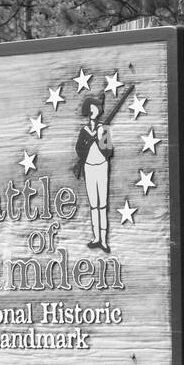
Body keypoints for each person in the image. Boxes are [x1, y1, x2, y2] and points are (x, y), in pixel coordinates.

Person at [73, 96, 114, 251]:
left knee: (102, 205)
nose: (95, 111)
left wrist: (99, 139)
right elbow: (79, 150)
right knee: (93, 205)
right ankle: (96, 237)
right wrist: (88, 143)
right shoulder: (84, 131)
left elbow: (108, 151)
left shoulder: (104, 128)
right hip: (88, 168)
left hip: (102, 167)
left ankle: (103, 239)